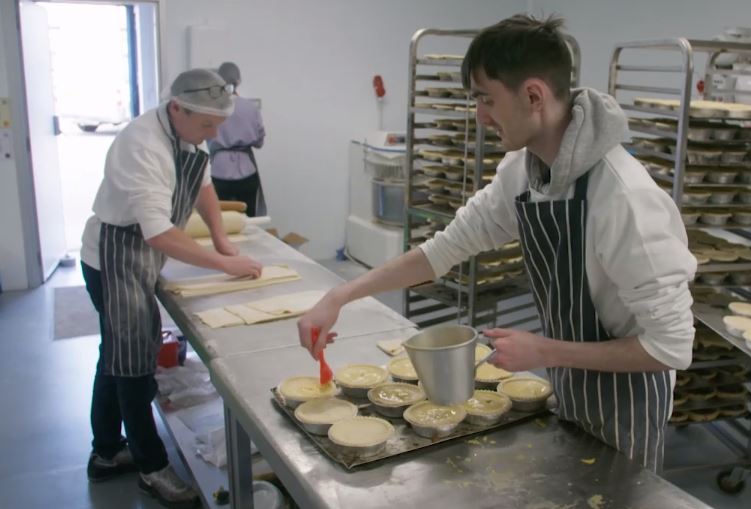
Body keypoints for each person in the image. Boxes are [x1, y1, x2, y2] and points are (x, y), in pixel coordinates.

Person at [296, 14, 696, 471]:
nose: (480, 117)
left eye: (486, 99)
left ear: (533, 96)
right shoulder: (523, 172)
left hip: (628, 404)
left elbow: (670, 348)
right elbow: (443, 251)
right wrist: (340, 294)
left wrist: (545, 351)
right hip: (571, 383)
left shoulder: (624, 198)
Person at [80, 68, 263, 508]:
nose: (213, 133)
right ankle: (151, 467)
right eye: (207, 125)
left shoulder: (186, 131)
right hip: (115, 255)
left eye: (218, 124)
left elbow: (202, 185)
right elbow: (158, 232)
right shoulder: (143, 146)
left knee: (117, 355)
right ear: (176, 108)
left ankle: (106, 452)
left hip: (140, 249)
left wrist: (220, 237)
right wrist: (223, 264)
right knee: (132, 366)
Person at [208, 61, 267, 216]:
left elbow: (204, 139)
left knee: (219, 219)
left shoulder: (212, 108)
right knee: (248, 222)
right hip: (247, 171)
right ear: (238, 81)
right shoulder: (250, 107)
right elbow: (260, 142)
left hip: (218, 171)